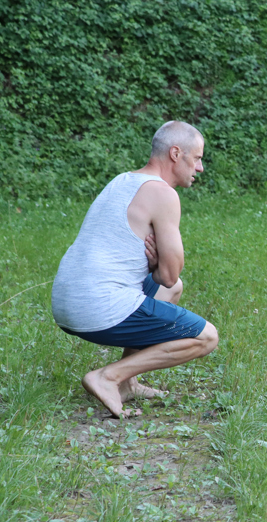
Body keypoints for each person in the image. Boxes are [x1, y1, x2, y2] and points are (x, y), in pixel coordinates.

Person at [51, 121, 219, 418]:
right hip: (95, 307)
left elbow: (167, 280)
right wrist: (158, 266)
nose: (200, 167)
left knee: (172, 288)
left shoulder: (124, 180)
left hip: (66, 303)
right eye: (198, 158)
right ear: (176, 154)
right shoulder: (163, 193)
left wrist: (156, 267)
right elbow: (168, 272)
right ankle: (108, 377)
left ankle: (128, 383)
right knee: (206, 337)